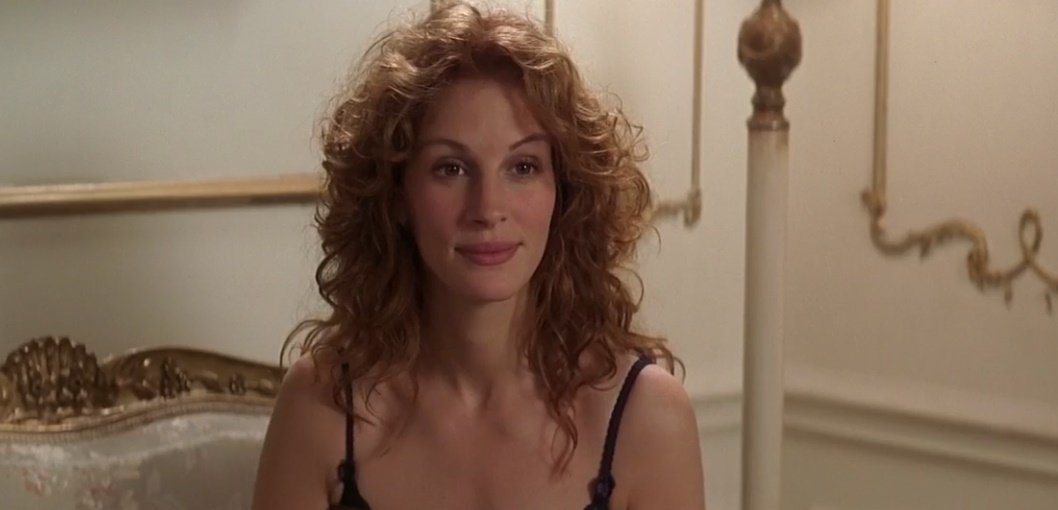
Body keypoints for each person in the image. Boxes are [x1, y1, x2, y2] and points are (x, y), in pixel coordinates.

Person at [252, 2, 705, 509]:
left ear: (565, 192)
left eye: (523, 167)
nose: (488, 209)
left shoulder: (646, 419)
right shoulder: (321, 408)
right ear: (396, 194)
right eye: (451, 168)